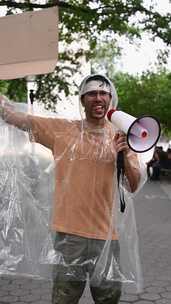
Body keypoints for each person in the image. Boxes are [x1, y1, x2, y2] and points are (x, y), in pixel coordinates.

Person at [0, 74, 143, 304]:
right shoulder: (63, 130)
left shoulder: (122, 137)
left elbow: (134, 184)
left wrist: (124, 153)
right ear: (83, 99)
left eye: (103, 93)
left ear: (111, 99)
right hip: (69, 238)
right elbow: (18, 119)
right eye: (92, 93)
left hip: (106, 238)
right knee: (63, 300)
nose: (98, 98)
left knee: (109, 300)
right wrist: (3, 104)